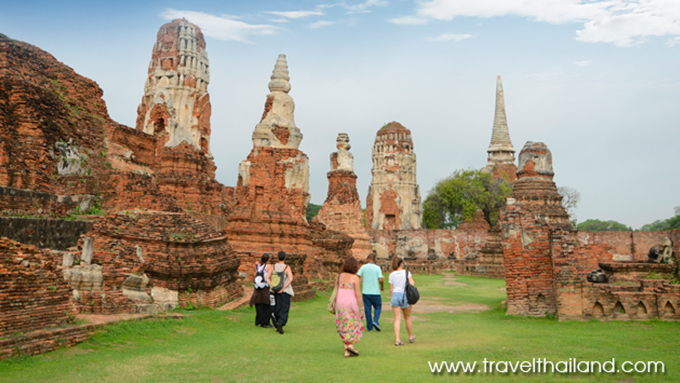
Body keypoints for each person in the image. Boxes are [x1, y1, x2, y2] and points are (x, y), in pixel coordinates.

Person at [335, 256, 364, 357]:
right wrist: (362, 308)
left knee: (343, 324)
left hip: (340, 302)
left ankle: (346, 350)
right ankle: (350, 346)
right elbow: (358, 295)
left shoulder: (340, 276)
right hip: (350, 302)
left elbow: (336, 288)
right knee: (353, 323)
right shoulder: (355, 278)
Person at [388, 257, 415, 346]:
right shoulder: (406, 272)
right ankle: (410, 336)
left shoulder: (392, 274)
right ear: (401, 264)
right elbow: (412, 283)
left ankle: (397, 339)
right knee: (407, 318)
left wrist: (392, 298)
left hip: (395, 295)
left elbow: (391, 289)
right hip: (404, 295)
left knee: (397, 319)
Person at [267, 251, 294, 334]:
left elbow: (267, 277)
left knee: (276, 307)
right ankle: (281, 322)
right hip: (284, 291)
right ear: (285, 258)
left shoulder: (273, 266)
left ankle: (276, 322)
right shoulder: (286, 267)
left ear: (277, 258)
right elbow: (290, 279)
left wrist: (272, 286)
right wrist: (283, 288)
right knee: (284, 308)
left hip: (274, 290)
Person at [357, 252, 384, 332]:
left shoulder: (364, 267)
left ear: (368, 259)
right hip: (375, 292)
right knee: (378, 307)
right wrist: (382, 286)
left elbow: (357, 276)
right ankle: (375, 321)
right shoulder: (377, 268)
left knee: (367, 309)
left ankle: (370, 328)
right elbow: (380, 279)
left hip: (366, 292)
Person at [249, 254, 273, 328]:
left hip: (257, 287)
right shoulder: (269, 266)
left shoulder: (258, 266)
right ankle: (265, 322)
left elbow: (256, 263)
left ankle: (258, 320)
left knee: (258, 303)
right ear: (268, 259)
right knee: (266, 305)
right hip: (265, 287)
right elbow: (270, 276)